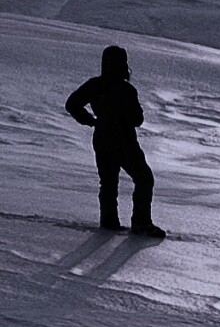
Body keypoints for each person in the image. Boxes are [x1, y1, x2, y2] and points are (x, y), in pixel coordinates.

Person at [65, 45, 166, 238]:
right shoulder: (125, 89)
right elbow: (137, 119)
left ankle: (109, 222)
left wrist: (90, 120)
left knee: (108, 183)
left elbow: (72, 104)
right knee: (144, 179)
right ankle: (141, 223)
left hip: (101, 138)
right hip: (123, 141)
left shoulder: (95, 85)